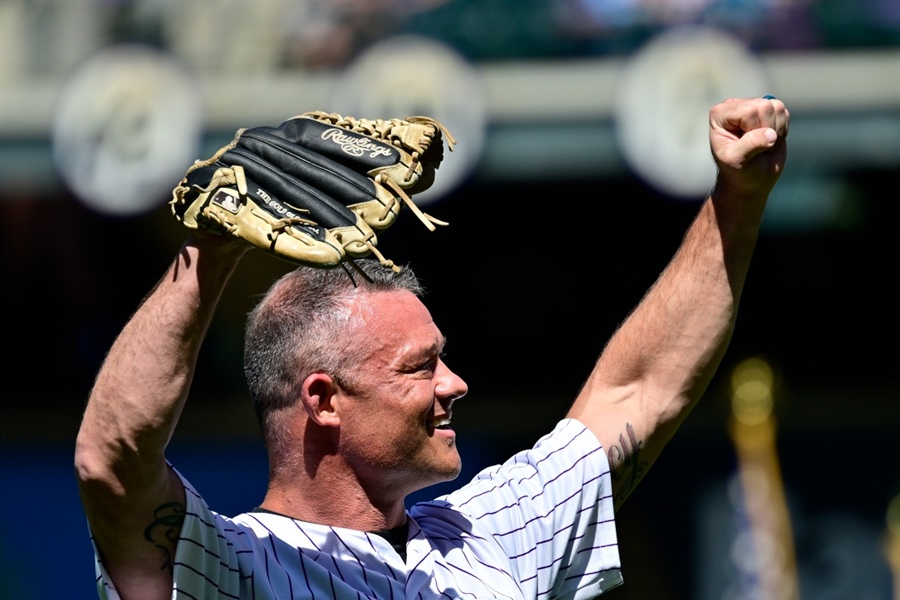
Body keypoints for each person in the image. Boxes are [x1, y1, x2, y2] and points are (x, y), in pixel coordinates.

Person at [75, 96, 789, 600]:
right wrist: (213, 249)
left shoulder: (489, 534)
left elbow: (640, 389)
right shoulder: (232, 569)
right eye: (419, 366)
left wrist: (738, 196)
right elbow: (110, 462)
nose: (456, 384)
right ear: (323, 399)